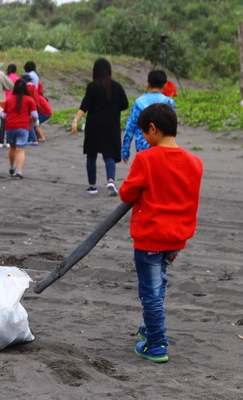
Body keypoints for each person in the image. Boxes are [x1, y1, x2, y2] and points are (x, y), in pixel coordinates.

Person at [119, 103, 203, 363]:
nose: (144, 138)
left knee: (151, 290)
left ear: (152, 129)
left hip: (151, 237)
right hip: (177, 238)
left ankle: (156, 343)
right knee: (159, 282)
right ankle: (150, 327)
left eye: (144, 133)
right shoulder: (195, 162)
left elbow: (126, 193)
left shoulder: (146, 158)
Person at [71, 58, 128, 196]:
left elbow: (84, 106)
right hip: (111, 125)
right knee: (109, 154)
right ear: (109, 70)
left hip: (94, 125)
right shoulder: (116, 86)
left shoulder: (92, 86)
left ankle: (92, 186)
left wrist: (75, 121)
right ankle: (111, 181)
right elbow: (125, 104)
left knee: (91, 155)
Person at [122, 70, 176, 163]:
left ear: (148, 84)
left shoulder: (139, 102)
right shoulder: (169, 103)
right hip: (163, 146)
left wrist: (125, 151)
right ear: (165, 85)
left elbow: (130, 128)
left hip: (142, 146)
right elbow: (172, 127)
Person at [2, 79, 38, 179]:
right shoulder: (29, 99)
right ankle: (19, 171)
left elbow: (3, 115)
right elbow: (35, 115)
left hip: (10, 126)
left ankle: (11, 167)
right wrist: (32, 120)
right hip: (23, 126)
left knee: (12, 147)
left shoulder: (9, 99)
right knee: (21, 150)